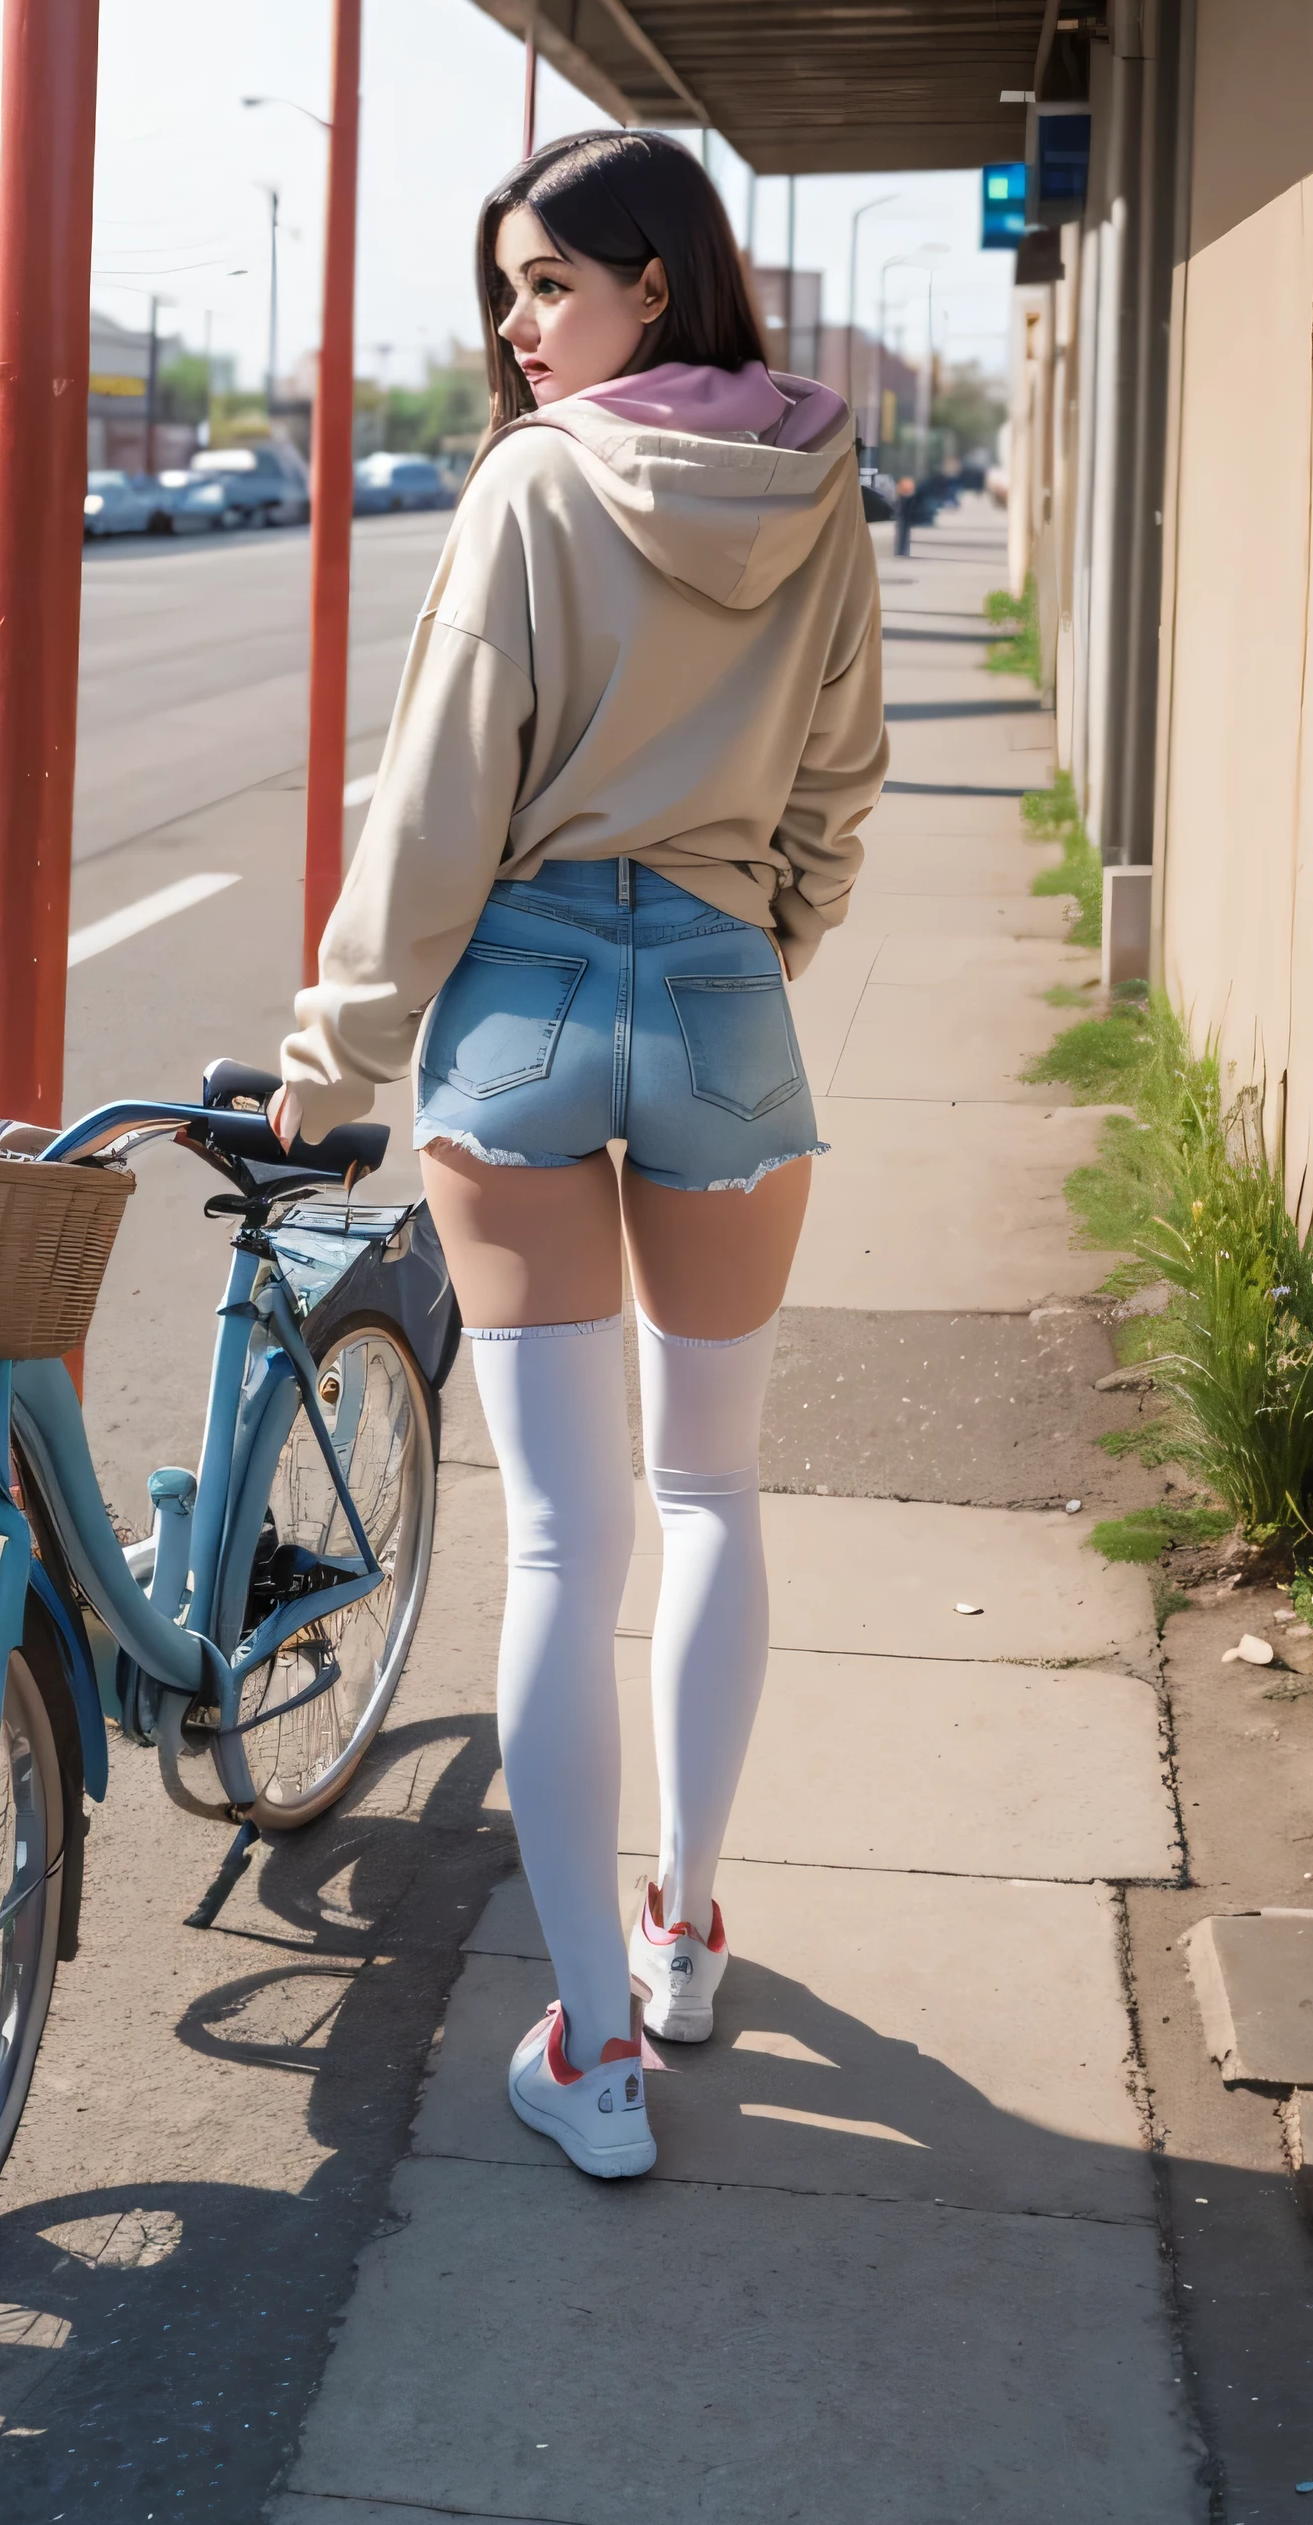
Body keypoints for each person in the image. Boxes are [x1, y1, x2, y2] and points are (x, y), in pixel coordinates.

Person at [272, 130, 887, 2179]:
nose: (518, 332)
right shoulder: (819, 483)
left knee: (563, 1534)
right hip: (717, 988)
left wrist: (337, 1048)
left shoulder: (537, 485)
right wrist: (753, 939)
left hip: (526, 997)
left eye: (547, 285)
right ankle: (688, 1929)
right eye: (507, 295)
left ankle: (601, 2053)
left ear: (654, 280)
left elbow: (443, 795)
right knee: (710, 1482)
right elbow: (841, 769)